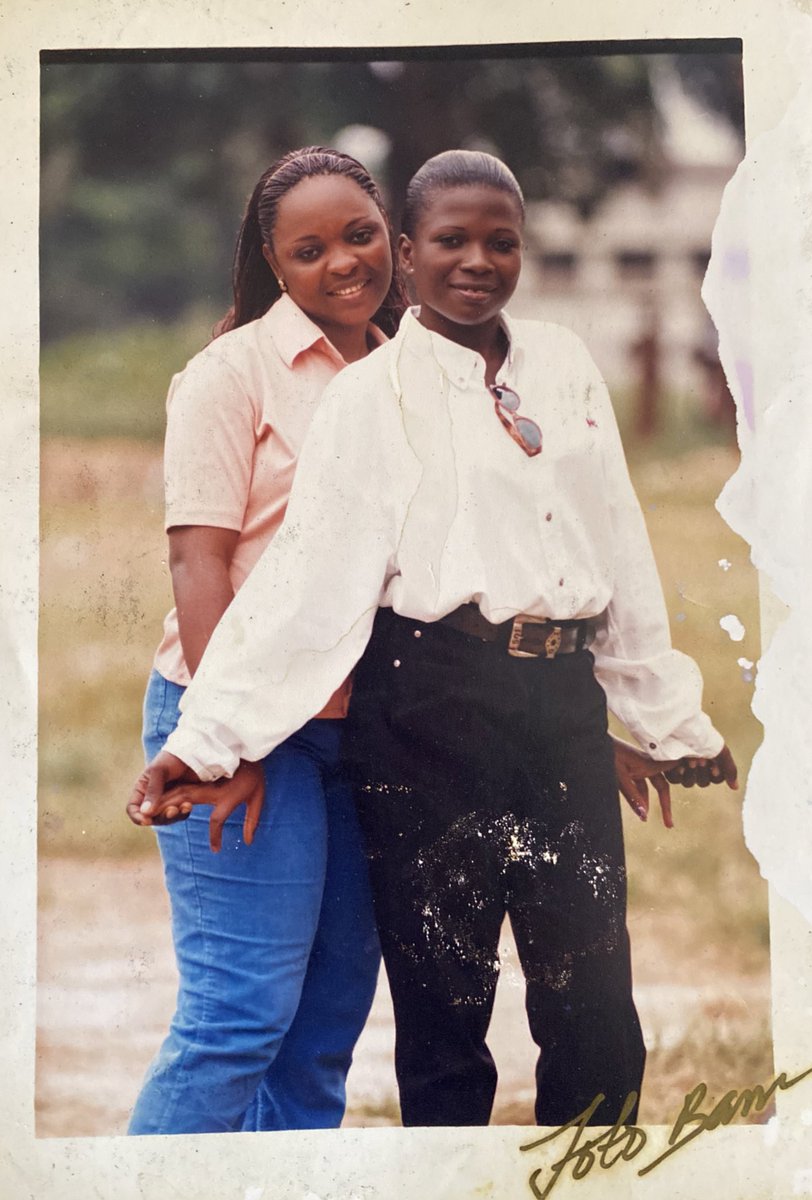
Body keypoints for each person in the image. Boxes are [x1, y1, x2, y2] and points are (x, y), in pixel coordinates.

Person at [132, 150, 737, 1130]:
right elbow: (293, 582)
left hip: (502, 708)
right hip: (393, 705)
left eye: (499, 241)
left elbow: (606, 550)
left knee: (570, 1006)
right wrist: (213, 739)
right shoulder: (338, 390)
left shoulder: (557, 365)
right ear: (410, 254)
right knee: (376, 1011)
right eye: (450, 240)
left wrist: (653, 719)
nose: (476, 260)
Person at [125, 146, 409, 1135]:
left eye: (358, 235)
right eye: (308, 248)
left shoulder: (424, 373)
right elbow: (197, 565)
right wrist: (225, 737)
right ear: (274, 265)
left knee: (322, 1033)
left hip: (363, 739)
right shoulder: (230, 373)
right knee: (237, 1021)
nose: (341, 261)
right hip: (240, 722)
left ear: (392, 238)